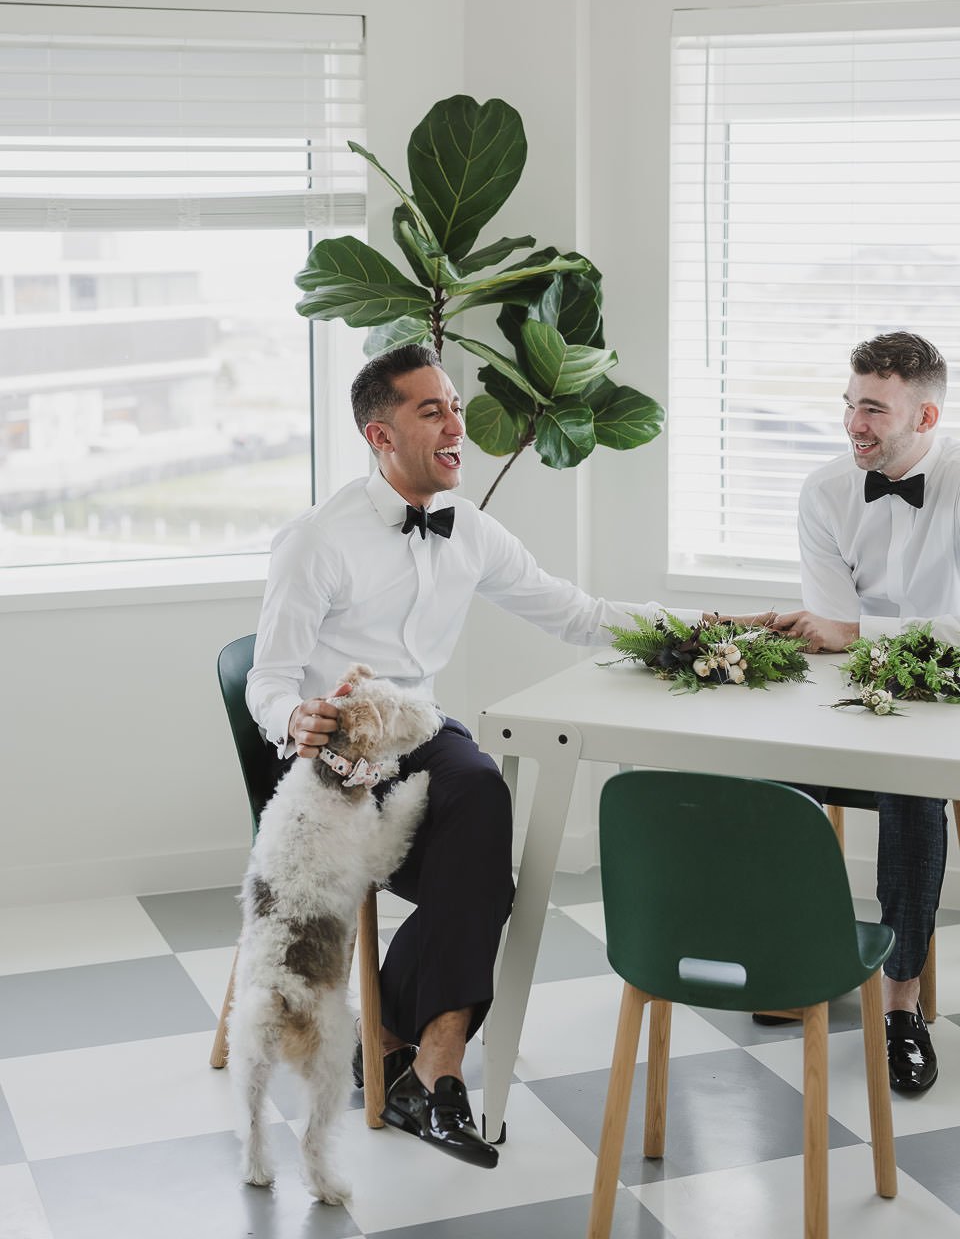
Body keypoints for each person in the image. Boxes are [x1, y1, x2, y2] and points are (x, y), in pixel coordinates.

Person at [246, 342, 739, 1168]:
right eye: (430, 410)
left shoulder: (468, 529)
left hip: (421, 731)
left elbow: (577, 614)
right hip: (335, 748)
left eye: (456, 407)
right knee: (478, 865)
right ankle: (411, 1062)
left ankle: (429, 1065)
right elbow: (267, 679)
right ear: (380, 435)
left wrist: (707, 629)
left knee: (481, 794)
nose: (455, 425)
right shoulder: (317, 541)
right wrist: (294, 720)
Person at [773, 331, 956, 1095]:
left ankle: (900, 1008)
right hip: (845, 698)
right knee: (772, 781)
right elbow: (828, 630)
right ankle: (796, 967)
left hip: (945, 707)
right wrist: (850, 637)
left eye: (874, 410)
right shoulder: (825, 492)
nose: (854, 424)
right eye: (850, 405)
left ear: (926, 417)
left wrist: (859, 634)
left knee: (911, 797)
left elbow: (938, 645)